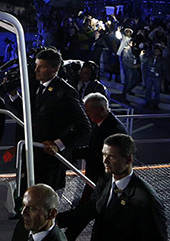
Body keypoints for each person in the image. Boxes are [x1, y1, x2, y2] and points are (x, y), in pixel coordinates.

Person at [57, 134, 167, 241]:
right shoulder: (105, 179)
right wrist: (55, 220)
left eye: (111, 156)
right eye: (104, 155)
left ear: (128, 160)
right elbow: (91, 208)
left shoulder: (146, 200)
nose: (105, 161)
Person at [22, 48, 91, 191]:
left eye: (41, 66)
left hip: (51, 162)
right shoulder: (38, 86)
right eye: (36, 65)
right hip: (34, 155)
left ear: (55, 69)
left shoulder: (66, 92)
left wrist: (58, 144)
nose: (36, 70)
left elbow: (84, 128)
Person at [65, 93, 127, 240]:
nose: (87, 114)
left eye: (90, 111)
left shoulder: (111, 128)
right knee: (87, 214)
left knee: (84, 213)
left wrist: (70, 153)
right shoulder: (104, 124)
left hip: (102, 180)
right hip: (99, 180)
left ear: (103, 109)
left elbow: (96, 152)